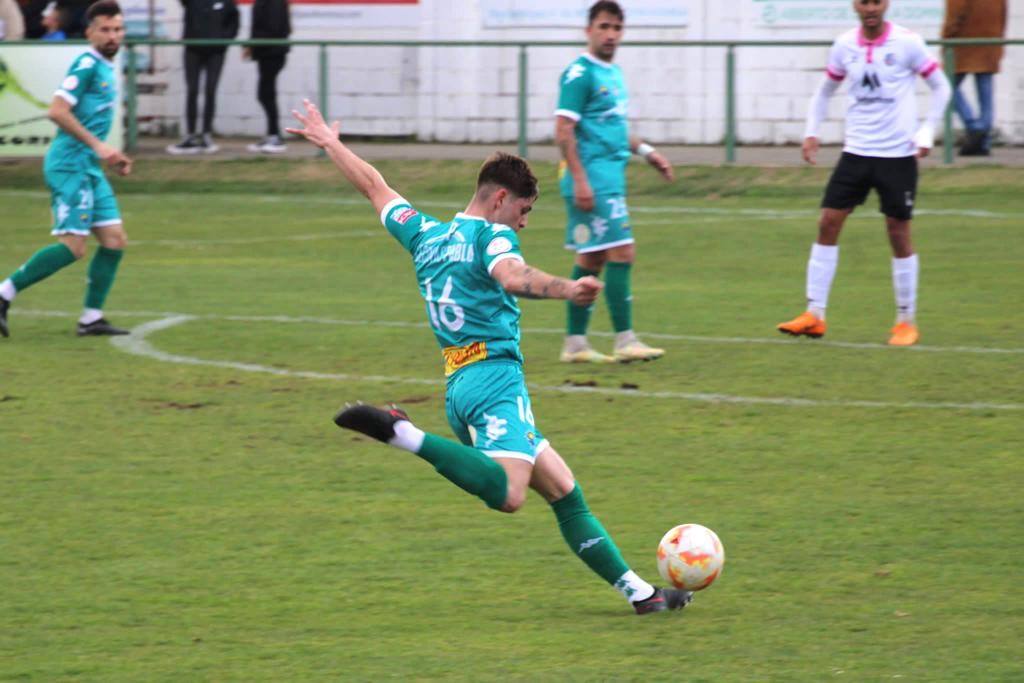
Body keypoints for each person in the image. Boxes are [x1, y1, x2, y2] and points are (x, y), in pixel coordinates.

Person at [285, 98, 693, 615]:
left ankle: (643, 595)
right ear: (501, 199)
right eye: (524, 212)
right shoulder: (492, 235)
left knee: (565, 493)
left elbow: (374, 185)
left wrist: (331, 143)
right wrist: (569, 289)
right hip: (495, 380)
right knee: (509, 494)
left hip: (461, 385)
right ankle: (401, 432)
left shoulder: (426, 233)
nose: (522, 225)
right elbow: (512, 276)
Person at [776, 0, 951, 347]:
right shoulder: (844, 45)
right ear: (855, 6)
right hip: (855, 152)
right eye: (863, 1)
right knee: (828, 221)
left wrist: (927, 131)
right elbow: (824, 91)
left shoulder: (908, 42)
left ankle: (905, 321)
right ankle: (815, 314)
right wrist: (812, 130)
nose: (870, 8)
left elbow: (941, 87)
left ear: (886, 4)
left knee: (898, 231)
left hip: (897, 154)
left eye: (877, 1)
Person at [0, 0, 133, 339]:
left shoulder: (106, 66)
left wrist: (108, 155)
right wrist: (99, 146)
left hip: (88, 165)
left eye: (117, 29)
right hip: (69, 166)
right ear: (89, 32)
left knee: (114, 240)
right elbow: (57, 111)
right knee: (74, 245)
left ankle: (91, 319)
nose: (112, 35)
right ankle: (3, 294)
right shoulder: (86, 63)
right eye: (104, 29)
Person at [554, 1, 674, 364]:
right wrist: (580, 180)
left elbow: (617, 129)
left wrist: (649, 152)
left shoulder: (613, 73)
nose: (611, 35)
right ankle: (625, 340)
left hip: (608, 177)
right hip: (593, 180)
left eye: (617, 28)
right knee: (624, 252)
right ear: (588, 30)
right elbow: (563, 130)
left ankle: (575, 345)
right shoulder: (579, 74)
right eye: (604, 27)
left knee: (591, 258)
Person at [166, 0, 238, 155]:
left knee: (210, 90)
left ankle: (206, 134)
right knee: (192, 90)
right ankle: (190, 135)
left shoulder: (226, 2)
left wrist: (224, 39)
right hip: (193, 49)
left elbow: (234, 20)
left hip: (216, 51)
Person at [942, 0, 1007, 156]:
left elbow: (954, 17)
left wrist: (945, 38)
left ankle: (974, 128)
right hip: (990, 42)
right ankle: (983, 141)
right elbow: (1003, 16)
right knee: (986, 94)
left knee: (945, 87)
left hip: (963, 44)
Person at [244, 0, 290, 154]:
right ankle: (272, 134)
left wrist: (252, 43)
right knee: (266, 94)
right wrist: (251, 44)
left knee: (266, 94)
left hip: (273, 52)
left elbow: (274, 29)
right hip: (265, 52)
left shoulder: (275, 2)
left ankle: (275, 136)